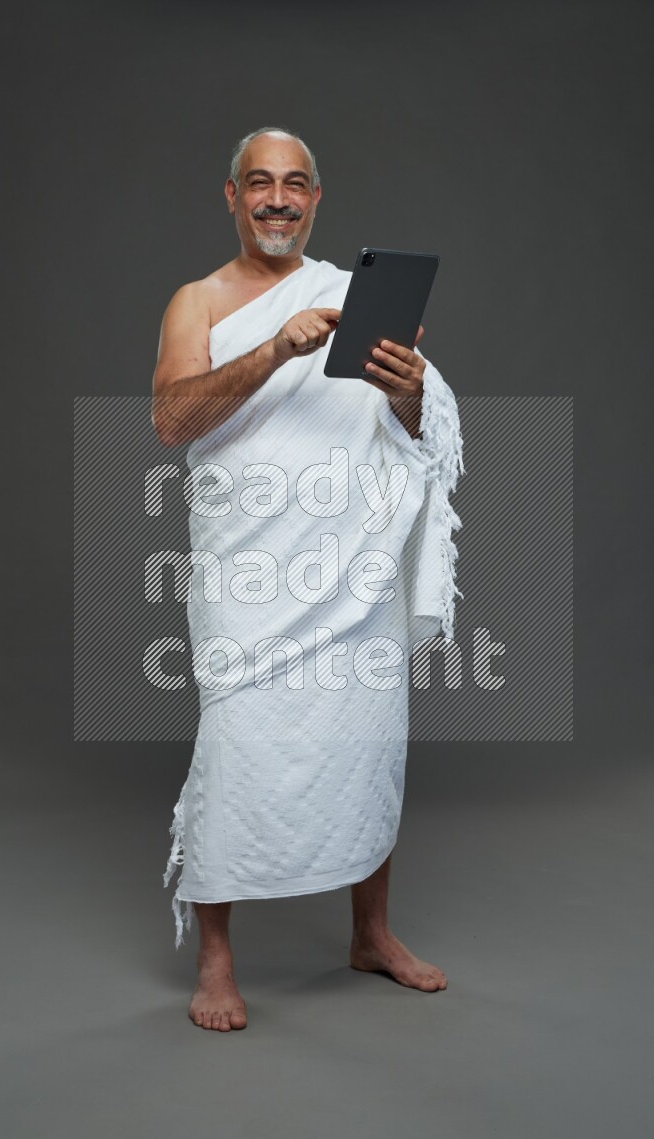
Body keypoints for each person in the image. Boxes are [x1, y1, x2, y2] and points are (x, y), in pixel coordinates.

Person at [151, 127, 465, 1031]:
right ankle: (216, 958)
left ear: (316, 198)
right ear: (232, 195)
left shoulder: (354, 295)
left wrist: (406, 389)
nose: (278, 199)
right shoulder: (197, 301)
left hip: (351, 569)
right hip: (249, 572)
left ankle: (371, 933)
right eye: (260, 184)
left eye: (295, 185)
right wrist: (279, 350)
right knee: (236, 745)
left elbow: (411, 430)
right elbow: (173, 420)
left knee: (367, 738)